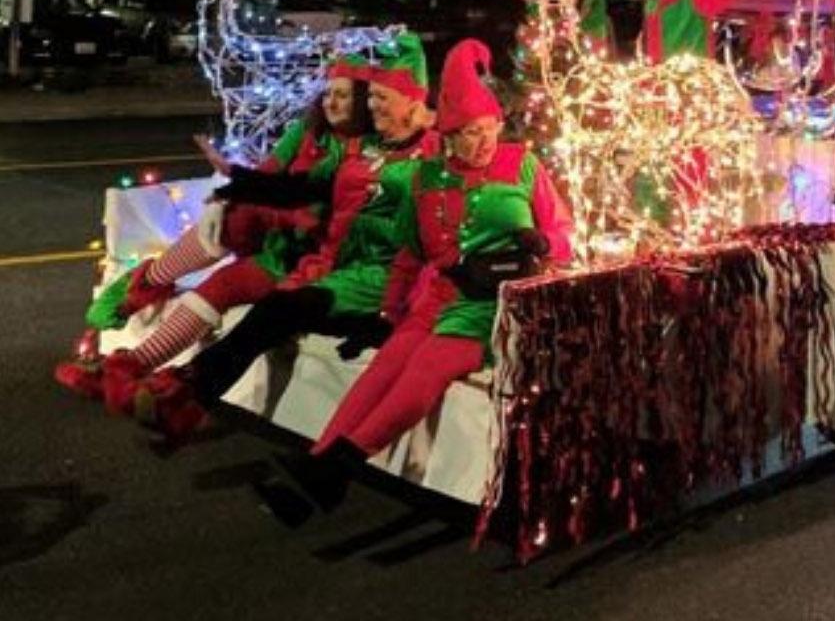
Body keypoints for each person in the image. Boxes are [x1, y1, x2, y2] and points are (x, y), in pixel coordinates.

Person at [255, 39, 572, 522]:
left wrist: (544, 244)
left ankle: (340, 468)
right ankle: (315, 461)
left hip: (494, 306)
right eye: (469, 132)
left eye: (490, 129)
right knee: (384, 369)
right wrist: (390, 310)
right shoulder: (427, 178)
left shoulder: (522, 166)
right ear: (447, 134)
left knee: (423, 372)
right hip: (438, 298)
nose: (484, 142)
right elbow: (408, 255)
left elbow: (563, 233)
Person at [133, 33, 441, 442]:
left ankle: (189, 391)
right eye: (372, 98)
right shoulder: (370, 151)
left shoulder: (434, 156)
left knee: (279, 311)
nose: (373, 106)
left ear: (414, 105)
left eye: (382, 99)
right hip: (341, 268)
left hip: (385, 279)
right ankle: (187, 392)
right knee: (273, 310)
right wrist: (234, 182)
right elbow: (305, 188)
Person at [53, 55, 373, 412]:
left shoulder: (368, 156)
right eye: (328, 93)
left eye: (343, 95)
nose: (331, 102)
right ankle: (129, 341)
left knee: (221, 284)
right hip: (277, 244)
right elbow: (268, 174)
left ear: (364, 101)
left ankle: (138, 361)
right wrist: (226, 197)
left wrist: (262, 202)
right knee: (232, 215)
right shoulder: (309, 131)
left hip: (313, 262)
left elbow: (319, 215)